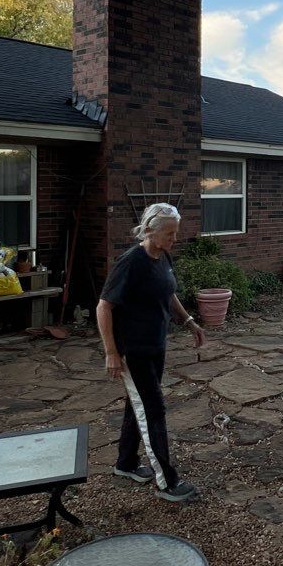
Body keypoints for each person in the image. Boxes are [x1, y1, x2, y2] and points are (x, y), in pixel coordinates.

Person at [96, 203, 205, 503]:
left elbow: (167, 292)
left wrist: (189, 321)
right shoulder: (131, 262)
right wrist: (111, 352)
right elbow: (104, 306)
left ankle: (126, 463)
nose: (174, 239)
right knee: (153, 410)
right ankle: (167, 481)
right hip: (134, 350)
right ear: (149, 231)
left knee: (139, 404)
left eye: (175, 233)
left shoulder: (162, 256)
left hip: (156, 345)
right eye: (169, 233)